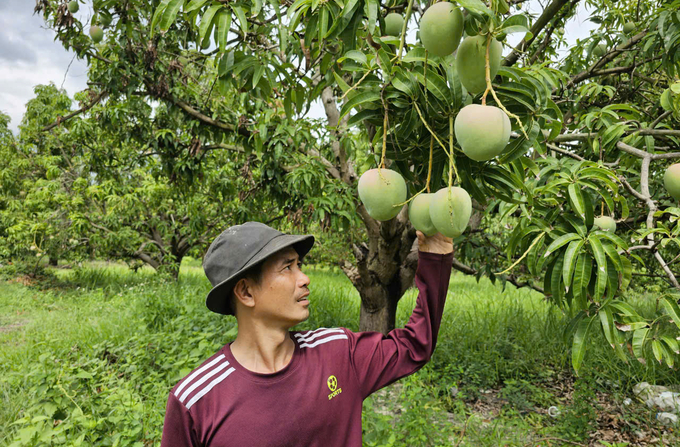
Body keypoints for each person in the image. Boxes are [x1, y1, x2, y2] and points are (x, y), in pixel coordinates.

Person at [160, 221, 454, 446]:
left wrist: (436, 258)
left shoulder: (338, 353)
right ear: (246, 292)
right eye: (287, 267)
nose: (304, 278)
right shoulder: (195, 401)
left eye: (299, 264)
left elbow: (415, 345)